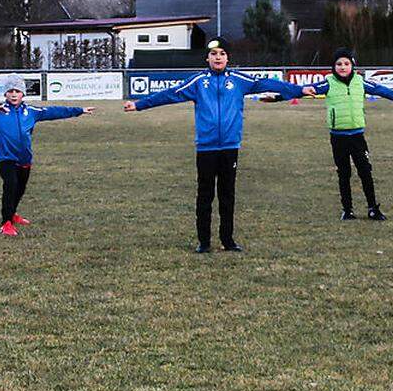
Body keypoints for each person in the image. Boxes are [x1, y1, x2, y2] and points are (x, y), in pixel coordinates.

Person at [123, 38, 305, 253]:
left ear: (228, 58)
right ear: (207, 58)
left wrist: (300, 90)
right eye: (214, 54)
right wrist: (139, 105)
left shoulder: (239, 80)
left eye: (222, 54)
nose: (218, 57)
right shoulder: (198, 82)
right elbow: (170, 94)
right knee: (205, 195)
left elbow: (270, 84)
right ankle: (204, 242)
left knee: (227, 195)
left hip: (229, 147)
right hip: (206, 148)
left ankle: (227, 240)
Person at [0, 74, 94, 236]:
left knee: (20, 188)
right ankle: (6, 222)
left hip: (24, 159)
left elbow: (55, 111)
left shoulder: (32, 112)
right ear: (5, 94)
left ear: (23, 94)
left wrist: (80, 111)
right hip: (5, 158)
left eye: (17, 91)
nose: (14, 94)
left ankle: (12, 214)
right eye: (10, 91)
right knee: (11, 183)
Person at [294, 48, 393, 220]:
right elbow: (304, 90)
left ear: (352, 65)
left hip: (357, 136)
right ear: (334, 66)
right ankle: (347, 209)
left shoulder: (360, 82)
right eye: (339, 64)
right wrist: (279, 96)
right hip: (338, 138)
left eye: (346, 63)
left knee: (365, 172)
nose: (343, 67)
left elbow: (381, 90)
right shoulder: (328, 83)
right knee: (344, 173)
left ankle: (373, 208)